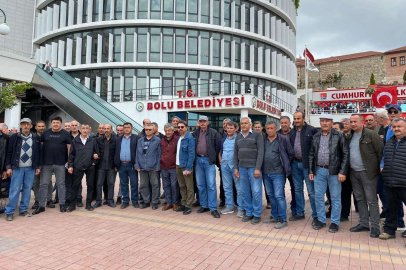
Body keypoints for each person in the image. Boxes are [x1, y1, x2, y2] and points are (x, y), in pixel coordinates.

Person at [309, 114, 349, 233]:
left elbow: (346, 154)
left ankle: (335, 222)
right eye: (322, 121)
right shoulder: (316, 136)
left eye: (327, 121)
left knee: (335, 197)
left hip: (335, 172)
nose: (324, 123)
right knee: (318, 197)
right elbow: (311, 154)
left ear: (331, 123)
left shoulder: (339, 135)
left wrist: (342, 172)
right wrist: (311, 170)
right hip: (319, 170)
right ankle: (321, 220)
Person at [348, 114, 383, 238]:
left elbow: (380, 152)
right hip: (354, 173)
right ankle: (363, 223)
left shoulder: (371, 135)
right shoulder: (350, 136)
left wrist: (377, 170)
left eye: (355, 121)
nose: (353, 124)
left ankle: (375, 226)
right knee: (360, 199)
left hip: (368, 173)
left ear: (362, 122)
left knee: (372, 200)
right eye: (351, 122)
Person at [4, 118, 42, 221]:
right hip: (17, 167)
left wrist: (38, 166)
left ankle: (23, 210)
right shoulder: (14, 137)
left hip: (30, 168)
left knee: (27, 189)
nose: (25, 126)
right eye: (23, 124)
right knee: (14, 189)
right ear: (20, 126)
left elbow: (39, 153)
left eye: (27, 124)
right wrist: (8, 167)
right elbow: (8, 153)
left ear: (31, 126)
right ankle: (10, 211)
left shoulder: (36, 138)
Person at [33, 116, 70, 215]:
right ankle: (41, 205)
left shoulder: (66, 134)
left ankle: (62, 204)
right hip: (46, 163)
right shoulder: (46, 133)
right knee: (43, 184)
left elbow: (69, 148)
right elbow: (40, 147)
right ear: (51, 123)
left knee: (61, 184)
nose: (55, 124)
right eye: (53, 122)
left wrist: (68, 161)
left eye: (57, 122)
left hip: (61, 163)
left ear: (61, 124)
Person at [263, 120, 293, 229]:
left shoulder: (283, 139)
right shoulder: (263, 139)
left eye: (272, 128)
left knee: (279, 195)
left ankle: (283, 219)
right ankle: (274, 216)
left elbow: (290, 154)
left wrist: (285, 166)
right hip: (266, 173)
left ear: (276, 129)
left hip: (278, 173)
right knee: (271, 195)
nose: (270, 130)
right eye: (268, 129)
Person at [234, 117, 264, 225]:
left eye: (246, 123)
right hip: (242, 168)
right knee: (245, 192)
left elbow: (261, 152)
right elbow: (235, 154)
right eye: (242, 123)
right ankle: (249, 212)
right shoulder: (238, 136)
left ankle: (257, 214)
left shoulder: (257, 135)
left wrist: (257, 168)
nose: (244, 125)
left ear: (250, 125)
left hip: (253, 168)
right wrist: (236, 168)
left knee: (256, 192)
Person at [379, 118, 406, 240]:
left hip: (404, 181)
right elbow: (384, 156)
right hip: (390, 181)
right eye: (394, 127)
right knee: (391, 208)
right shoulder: (390, 141)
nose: (396, 129)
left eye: (399, 126)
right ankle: (389, 230)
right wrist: (382, 166)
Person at [289, 112, 318, 225]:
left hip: (307, 165)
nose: (296, 120)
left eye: (298, 118)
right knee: (297, 190)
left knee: (311, 191)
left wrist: (313, 166)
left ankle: (316, 215)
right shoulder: (292, 131)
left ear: (303, 119)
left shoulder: (311, 130)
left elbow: (315, 148)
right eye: (295, 118)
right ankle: (300, 213)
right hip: (295, 164)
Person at [193, 115, 221, 218]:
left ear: (208, 122)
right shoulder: (195, 133)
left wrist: (214, 159)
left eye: (204, 121)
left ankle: (213, 208)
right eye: (201, 121)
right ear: (198, 122)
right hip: (198, 160)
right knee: (200, 185)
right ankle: (204, 205)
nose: (202, 123)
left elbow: (218, 147)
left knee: (211, 185)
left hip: (209, 161)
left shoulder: (214, 132)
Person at [67, 124, 99, 212]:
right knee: (75, 186)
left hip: (90, 166)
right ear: (80, 130)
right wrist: (70, 166)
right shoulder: (75, 140)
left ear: (89, 130)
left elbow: (97, 152)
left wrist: (94, 162)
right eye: (83, 128)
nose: (85, 130)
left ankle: (88, 204)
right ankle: (72, 205)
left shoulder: (93, 140)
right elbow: (71, 154)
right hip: (78, 166)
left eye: (87, 128)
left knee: (90, 186)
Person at [219, 121, 243, 216]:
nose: (229, 130)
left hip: (235, 167)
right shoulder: (223, 139)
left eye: (231, 128)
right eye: (227, 128)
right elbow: (220, 151)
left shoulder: (239, 138)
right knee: (227, 187)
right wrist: (221, 162)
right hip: (225, 166)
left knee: (239, 188)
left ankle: (241, 207)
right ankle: (229, 206)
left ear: (236, 128)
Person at [135, 123, 161, 210]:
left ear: (153, 130)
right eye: (146, 129)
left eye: (150, 129)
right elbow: (137, 154)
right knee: (143, 185)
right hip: (142, 167)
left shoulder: (157, 140)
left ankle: (155, 202)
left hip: (153, 167)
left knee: (155, 185)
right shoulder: (140, 140)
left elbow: (159, 154)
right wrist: (137, 164)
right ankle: (146, 201)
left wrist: (158, 165)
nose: (148, 131)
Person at [115, 122, 139, 209]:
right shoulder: (118, 139)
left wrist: (137, 164)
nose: (126, 129)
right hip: (121, 165)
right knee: (124, 184)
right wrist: (116, 164)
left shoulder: (136, 138)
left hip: (132, 165)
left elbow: (139, 152)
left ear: (131, 128)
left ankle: (135, 201)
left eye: (128, 127)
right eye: (125, 127)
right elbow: (116, 152)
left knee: (134, 184)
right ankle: (125, 201)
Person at [277, 116, 297, 217]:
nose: (284, 124)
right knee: (279, 188)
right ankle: (281, 209)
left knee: (294, 187)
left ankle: (294, 207)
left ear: (290, 123)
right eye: (282, 123)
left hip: (292, 164)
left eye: (286, 122)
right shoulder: (277, 134)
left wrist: (287, 162)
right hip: (279, 167)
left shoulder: (295, 133)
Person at [93, 124, 116, 208]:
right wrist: (94, 155)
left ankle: (110, 200)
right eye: (105, 129)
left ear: (111, 130)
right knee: (99, 184)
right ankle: (98, 201)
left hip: (111, 166)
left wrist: (116, 165)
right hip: (100, 166)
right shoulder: (98, 140)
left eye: (107, 129)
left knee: (111, 184)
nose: (106, 130)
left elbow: (116, 153)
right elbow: (94, 150)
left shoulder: (115, 140)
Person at [175, 120, 195, 215]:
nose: (180, 129)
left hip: (185, 167)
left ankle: (188, 205)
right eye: (178, 127)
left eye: (182, 127)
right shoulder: (179, 137)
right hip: (178, 165)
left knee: (189, 186)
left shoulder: (189, 138)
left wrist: (188, 168)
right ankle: (183, 203)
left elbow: (191, 154)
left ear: (186, 127)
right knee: (182, 186)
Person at [32, 121, 53, 210]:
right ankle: (37, 200)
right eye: (39, 126)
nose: (41, 128)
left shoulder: (49, 136)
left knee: (48, 182)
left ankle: (49, 199)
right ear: (36, 127)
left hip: (46, 162)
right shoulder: (32, 137)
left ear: (45, 127)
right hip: (34, 163)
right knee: (36, 182)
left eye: (42, 126)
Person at [160, 124, 179, 211]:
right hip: (164, 167)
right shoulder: (162, 140)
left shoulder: (177, 139)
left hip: (173, 167)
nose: (167, 132)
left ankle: (175, 203)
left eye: (169, 130)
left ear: (172, 131)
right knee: (166, 186)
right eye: (166, 131)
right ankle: (168, 203)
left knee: (174, 185)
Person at [115, 124, 124, 205]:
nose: (119, 132)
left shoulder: (127, 138)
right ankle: (119, 196)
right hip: (118, 164)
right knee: (121, 181)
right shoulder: (114, 139)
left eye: (121, 130)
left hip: (128, 163)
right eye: (118, 130)